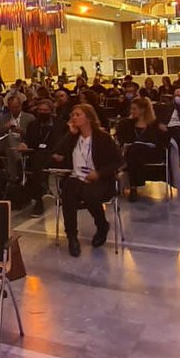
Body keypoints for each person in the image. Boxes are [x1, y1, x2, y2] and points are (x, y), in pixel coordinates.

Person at [54, 104, 122, 256]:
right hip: (77, 177)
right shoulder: (73, 137)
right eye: (72, 115)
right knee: (68, 191)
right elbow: (57, 152)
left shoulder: (103, 137)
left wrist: (99, 173)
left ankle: (102, 225)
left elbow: (118, 161)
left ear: (89, 118)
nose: (74, 118)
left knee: (90, 193)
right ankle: (72, 236)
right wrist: (70, 134)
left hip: (101, 180)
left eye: (78, 115)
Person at [115, 96, 167, 202]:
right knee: (133, 150)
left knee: (134, 150)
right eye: (131, 108)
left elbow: (161, 142)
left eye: (134, 109)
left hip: (151, 153)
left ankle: (132, 184)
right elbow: (123, 139)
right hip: (133, 153)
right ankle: (133, 187)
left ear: (143, 110)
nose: (131, 111)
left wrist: (164, 132)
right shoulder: (128, 124)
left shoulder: (155, 124)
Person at [22, 97, 60, 216]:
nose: (43, 112)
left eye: (45, 110)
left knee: (39, 163)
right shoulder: (33, 125)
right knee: (37, 161)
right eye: (40, 110)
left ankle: (42, 194)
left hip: (54, 154)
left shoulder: (60, 124)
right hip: (36, 154)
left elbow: (62, 143)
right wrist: (24, 144)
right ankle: (42, 194)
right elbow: (28, 140)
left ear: (51, 111)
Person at [0, 93, 34, 181]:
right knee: (10, 138)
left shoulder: (29, 118)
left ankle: (14, 176)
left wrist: (22, 131)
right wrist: (5, 128)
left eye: (16, 107)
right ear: (9, 107)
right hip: (5, 143)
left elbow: (33, 135)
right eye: (12, 107)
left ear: (21, 106)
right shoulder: (3, 118)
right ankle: (19, 163)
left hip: (23, 142)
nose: (14, 109)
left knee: (12, 148)